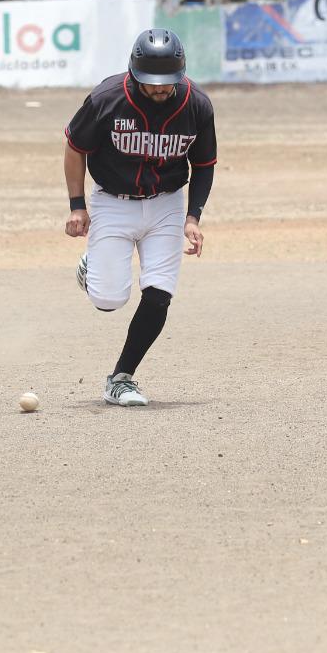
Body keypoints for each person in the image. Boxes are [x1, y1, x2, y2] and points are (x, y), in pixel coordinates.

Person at [63, 29, 218, 406]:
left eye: (168, 83)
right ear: (135, 73)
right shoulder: (107, 98)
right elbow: (75, 148)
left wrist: (193, 217)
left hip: (166, 204)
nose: (162, 90)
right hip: (113, 204)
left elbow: (204, 164)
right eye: (153, 84)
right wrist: (76, 206)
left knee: (159, 294)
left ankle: (121, 378)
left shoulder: (196, 104)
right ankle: (93, 266)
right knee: (108, 300)